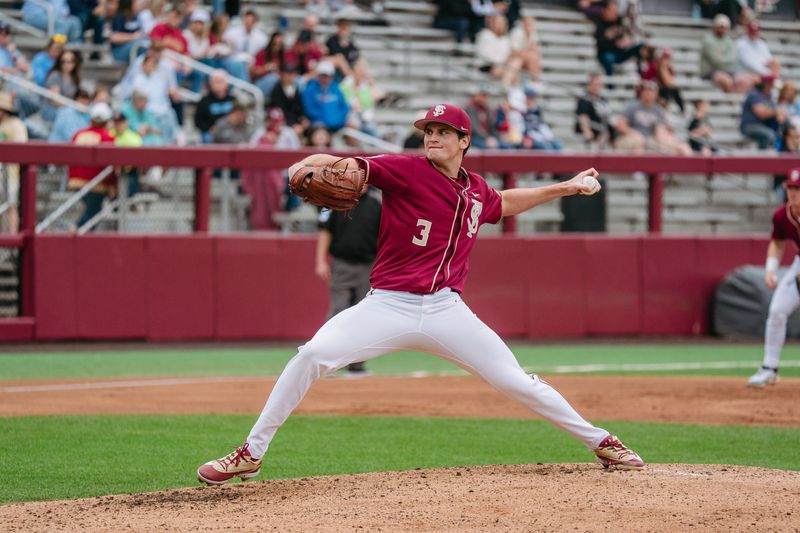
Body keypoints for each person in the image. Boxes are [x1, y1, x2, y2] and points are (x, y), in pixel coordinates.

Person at [196, 102, 645, 485]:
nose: (432, 137)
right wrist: (313, 165)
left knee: (514, 380)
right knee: (313, 355)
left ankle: (601, 441)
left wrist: (566, 186)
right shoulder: (407, 170)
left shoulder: (475, 191)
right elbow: (359, 166)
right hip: (388, 303)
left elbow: (504, 202)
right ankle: (251, 453)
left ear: (463, 140)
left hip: (448, 310)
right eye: (428, 131)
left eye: (442, 131)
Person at [314, 187, 381, 376]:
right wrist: (320, 261)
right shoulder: (333, 200)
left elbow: (385, 236)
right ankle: (326, 363)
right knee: (337, 313)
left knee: (364, 316)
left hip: (368, 266)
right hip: (341, 264)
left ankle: (357, 364)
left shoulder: (377, 203)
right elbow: (325, 231)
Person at [748, 166, 800, 387]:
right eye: (790, 187)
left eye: (798, 188)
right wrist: (771, 268)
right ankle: (769, 368)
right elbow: (777, 242)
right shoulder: (782, 215)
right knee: (777, 311)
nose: (793, 192)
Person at [67, 102, 115, 229]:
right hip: (95, 183)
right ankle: (76, 231)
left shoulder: (79, 134)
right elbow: (109, 164)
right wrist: (111, 185)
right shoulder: (106, 137)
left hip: (75, 181)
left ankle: (79, 233)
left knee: (91, 212)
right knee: (93, 213)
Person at [699, 14, 755, 94]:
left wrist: (722, 57)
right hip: (709, 72)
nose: (723, 29)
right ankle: (730, 101)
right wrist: (725, 59)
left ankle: (735, 101)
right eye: (720, 27)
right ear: (715, 27)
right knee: (726, 80)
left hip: (727, 70)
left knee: (745, 80)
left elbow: (733, 58)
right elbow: (716, 60)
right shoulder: (708, 41)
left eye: (725, 27)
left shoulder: (729, 41)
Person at [0, 92, 28, 234]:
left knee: (11, 206)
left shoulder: (15, 125)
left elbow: (20, 147)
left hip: (10, 174)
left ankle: (11, 238)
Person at [593, 0, 642, 77]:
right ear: (605, 11)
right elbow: (601, 44)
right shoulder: (600, 25)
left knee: (641, 47)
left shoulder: (621, 21)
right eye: (612, 10)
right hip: (606, 55)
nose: (614, 13)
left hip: (621, 53)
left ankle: (641, 74)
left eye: (615, 10)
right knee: (607, 57)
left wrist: (628, 42)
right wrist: (616, 44)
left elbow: (633, 24)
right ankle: (611, 84)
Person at [301, 60, 350, 132]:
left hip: (338, 123)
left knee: (351, 129)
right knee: (320, 133)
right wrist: (325, 120)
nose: (325, 78)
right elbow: (309, 109)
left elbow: (344, 106)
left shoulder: (336, 88)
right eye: (323, 75)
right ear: (318, 75)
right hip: (319, 124)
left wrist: (340, 119)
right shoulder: (310, 90)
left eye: (327, 75)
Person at [740, 75, 784, 150]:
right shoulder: (754, 94)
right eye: (771, 85)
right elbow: (761, 114)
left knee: (785, 131)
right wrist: (776, 112)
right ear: (766, 84)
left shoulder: (769, 96)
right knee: (769, 135)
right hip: (749, 126)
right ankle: (762, 159)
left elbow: (777, 110)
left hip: (763, 126)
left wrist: (780, 115)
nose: (772, 87)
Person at [194, 69, 235, 143]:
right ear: (210, 84)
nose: (218, 85)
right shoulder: (204, 101)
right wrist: (208, 128)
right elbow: (198, 121)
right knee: (208, 138)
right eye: (215, 82)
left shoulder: (233, 100)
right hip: (211, 132)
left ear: (227, 84)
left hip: (230, 130)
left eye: (220, 82)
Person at [575, 72, 613, 149]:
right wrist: (587, 132)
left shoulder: (603, 99)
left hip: (604, 128)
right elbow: (583, 117)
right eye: (596, 84)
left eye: (600, 84)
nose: (597, 87)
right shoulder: (585, 99)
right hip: (594, 129)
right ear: (590, 85)